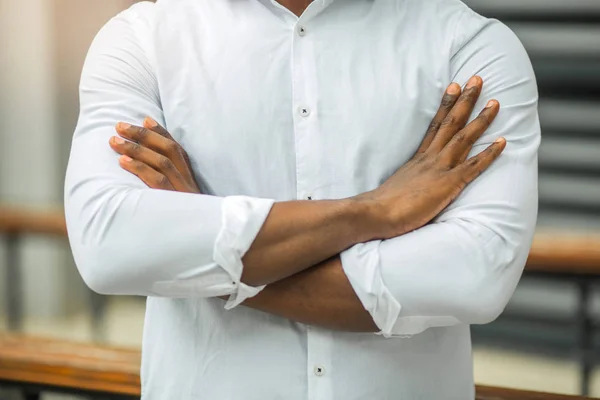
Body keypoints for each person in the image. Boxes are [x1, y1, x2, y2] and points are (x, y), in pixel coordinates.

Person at [64, 0, 540, 398]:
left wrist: (209, 247)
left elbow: (474, 275)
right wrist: (373, 211)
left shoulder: (469, 45)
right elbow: (110, 245)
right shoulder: (142, 38)